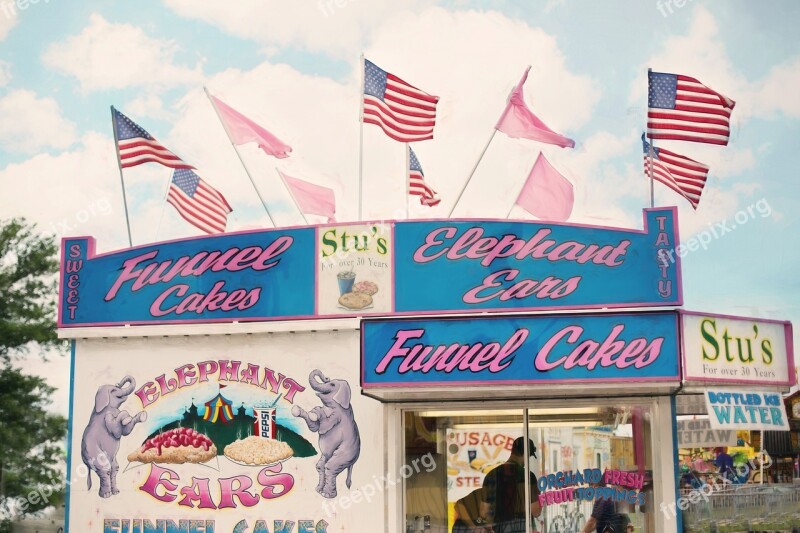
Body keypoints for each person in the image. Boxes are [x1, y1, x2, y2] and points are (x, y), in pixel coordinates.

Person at [481, 436, 541, 533]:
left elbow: (484, 512)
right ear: (525, 454)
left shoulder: (491, 475)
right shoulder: (528, 476)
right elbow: (536, 511)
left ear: (512, 451)